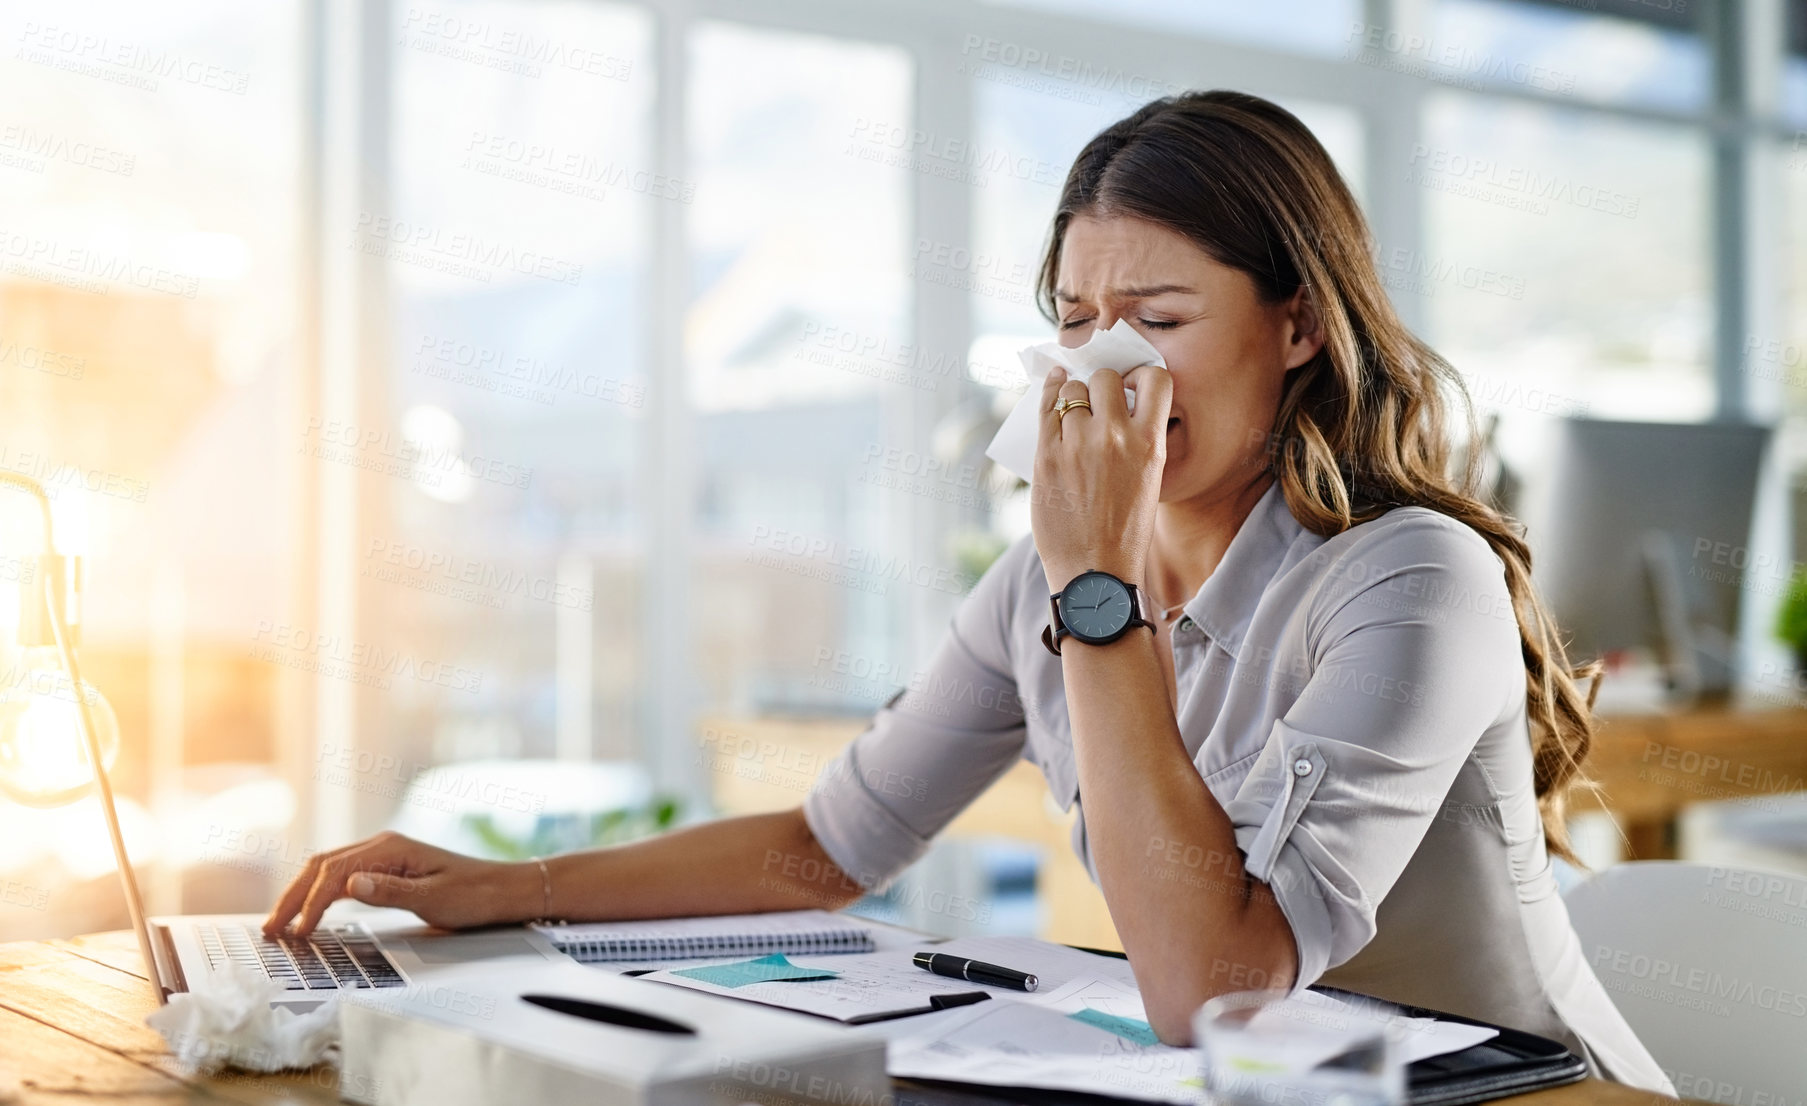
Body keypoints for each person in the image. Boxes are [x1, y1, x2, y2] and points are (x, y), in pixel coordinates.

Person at [266, 90, 1671, 1091]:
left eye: (1161, 324)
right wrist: (511, 885)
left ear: (1298, 322)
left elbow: (1218, 986)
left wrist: (1099, 588)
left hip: (1507, 1086)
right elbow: (827, 847)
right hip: (1269, 1083)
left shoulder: (1410, 575)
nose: (1103, 371)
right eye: (1074, 325)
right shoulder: (1040, 581)